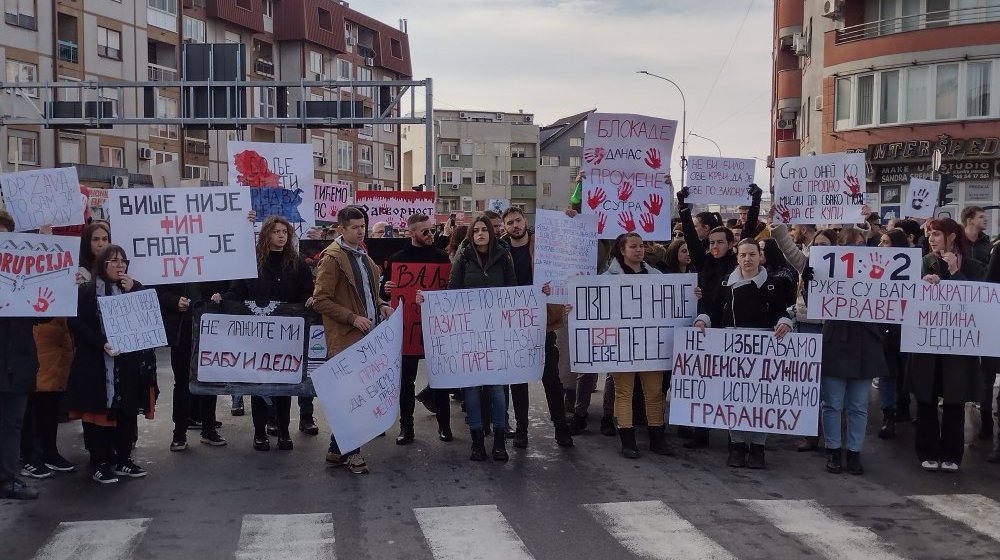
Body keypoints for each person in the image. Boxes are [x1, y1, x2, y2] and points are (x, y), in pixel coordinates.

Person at [214, 216, 316, 451]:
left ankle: (283, 431)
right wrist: (222, 298)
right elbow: (237, 292)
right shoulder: (252, 263)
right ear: (266, 235)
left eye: (285, 232)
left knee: (285, 384)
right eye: (276, 231)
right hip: (257, 337)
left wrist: (309, 299)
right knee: (259, 385)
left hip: (288, 336)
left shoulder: (297, 264)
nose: (281, 235)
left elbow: (305, 292)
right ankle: (260, 433)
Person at [695, 239, 794, 469]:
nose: (747, 259)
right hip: (733, 349)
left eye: (752, 254)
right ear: (737, 257)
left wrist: (784, 322)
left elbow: (781, 311)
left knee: (761, 400)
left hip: (763, 350)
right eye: (743, 255)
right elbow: (712, 309)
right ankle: (737, 445)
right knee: (735, 398)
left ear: (760, 256)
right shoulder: (724, 283)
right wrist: (703, 320)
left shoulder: (773, 284)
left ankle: (758, 447)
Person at [677, 183, 762, 449]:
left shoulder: (734, 263)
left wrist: (756, 198)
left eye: (720, 242)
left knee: (731, 381)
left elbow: (748, 232)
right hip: (705, 325)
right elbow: (690, 235)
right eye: (712, 242)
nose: (715, 246)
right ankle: (701, 433)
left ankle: (732, 437)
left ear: (730, 245)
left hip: (730, 326)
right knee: (704, 379)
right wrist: (683, 205)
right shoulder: (703, 261)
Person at [67, 245, 158, 484]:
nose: (120, 266)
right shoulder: (87, 292)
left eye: (123, 261)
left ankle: (124, 459)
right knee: (98, 414)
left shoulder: (132, 288)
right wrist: (101, 343)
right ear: (102, 264)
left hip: (127, 363)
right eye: (114, 261)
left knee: (126, 411)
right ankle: (100, 462)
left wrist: (135, 290)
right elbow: (75, 324)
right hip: (96, 363)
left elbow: (148, 318)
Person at [313, 206, 393, 475]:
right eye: (355, 227)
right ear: (341, 229)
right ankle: (353, 454)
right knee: (351, 400)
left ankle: (337, 451)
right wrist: (352, 318)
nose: (360, 232)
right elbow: (320, 300)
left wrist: (382, 304)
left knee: (356, 398)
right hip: (346, 340)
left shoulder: (362, 256)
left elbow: (369, 294)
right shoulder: (333, 258)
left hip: (365, 339)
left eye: (363, 227)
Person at [908, 218, 984, 472]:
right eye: (930, 234)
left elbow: (978, 304)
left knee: (954, 400)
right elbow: (909, 298)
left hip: (957, 350)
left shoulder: (973, 267)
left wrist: (955, 275)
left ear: (952, 236)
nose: (932, 238)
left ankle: (952, 453)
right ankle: (927, 450)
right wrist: (923, 287)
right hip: (928, 346)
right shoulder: (923, 264)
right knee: (926, 398)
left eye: (937, 234)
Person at [814, 228, 888, 475]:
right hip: (836, 341)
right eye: (854, 244)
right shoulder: (827, 271)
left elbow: (901, 290)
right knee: (832, 404)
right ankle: (833, 450)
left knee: (858, 405)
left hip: (865, 344)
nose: (860, 249)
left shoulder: (878, 272)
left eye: (862, 244)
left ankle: (854, 452)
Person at [500, 207, 574, 449]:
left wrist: (570, 218)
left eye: (518, 220)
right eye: (509, 223)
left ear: (525, 221)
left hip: (543, 321)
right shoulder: (500, 250)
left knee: (551, 378)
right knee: (518, 381)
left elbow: (570, 256)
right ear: (504, 227)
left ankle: (561, 428)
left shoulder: (544, 245)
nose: (515, 226)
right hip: (512, 324)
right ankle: (522, 429)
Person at [446, 214, 517, 461]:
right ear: (470, 235)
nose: (480, 234)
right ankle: (477, 440)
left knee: (497, 389)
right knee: (473, 389)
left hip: (497, 333)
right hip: (469, 334)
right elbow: (451, 293)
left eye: (484, 230)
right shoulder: (462, 259)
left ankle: (499, 440)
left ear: (491, 232)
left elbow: (513, 292)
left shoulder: (503, 256)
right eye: (475, 230)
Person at [380, 214, 454, 445]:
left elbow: (450, 292)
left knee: (440, 380)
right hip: (407, 329)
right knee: (406, 381)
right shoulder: (396, 259)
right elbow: (384, 295)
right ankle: (406, 427)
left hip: (435, 329)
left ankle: (444, 425)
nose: (430, 235)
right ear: (411, 233)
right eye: (425, 232)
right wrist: (387, 288)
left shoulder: (442, 259)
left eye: (432, 231)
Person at [601, 233, 676, 459]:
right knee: (624, 393)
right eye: (633, 246)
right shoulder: (607, 278)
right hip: (622, 346)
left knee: (654, 392)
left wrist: (691, 296)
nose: (639, 250)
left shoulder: (656, 276)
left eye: (641, 246)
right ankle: (628, 440)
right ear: (622, 251)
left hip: (650, 346)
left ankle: (657, 438)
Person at [0, 211, 46, 499]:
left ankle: (7, 479)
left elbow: (47, 315)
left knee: (12, 425)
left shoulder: (24, 276)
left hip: (18, 364)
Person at [875, 228, 911, 440]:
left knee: (905, 372)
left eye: (885, 242)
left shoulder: (913, 267)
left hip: (906, 329)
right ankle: (888, 416)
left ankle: (903, 406)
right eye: (880, 241)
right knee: (887, 374)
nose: (880, 246)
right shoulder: (875, 268)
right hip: (884, 329)